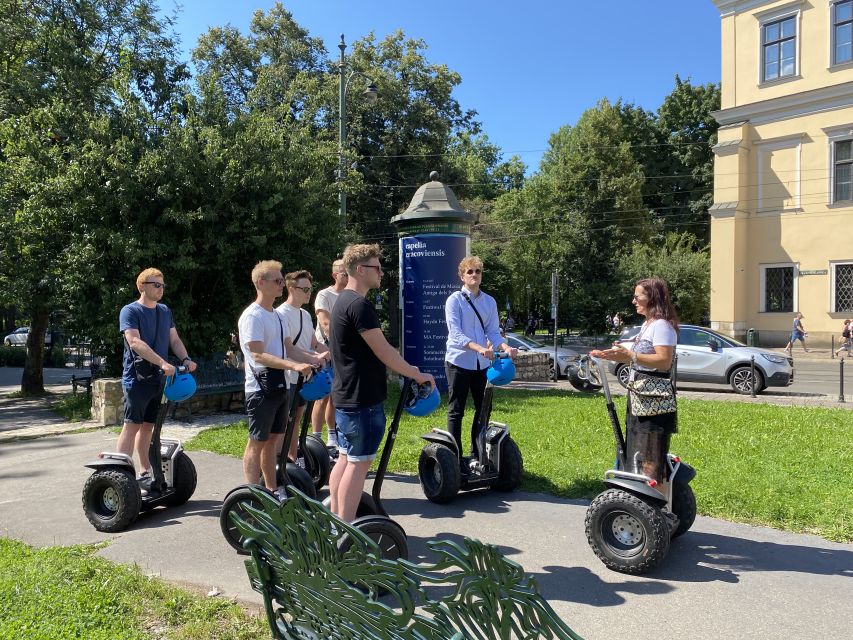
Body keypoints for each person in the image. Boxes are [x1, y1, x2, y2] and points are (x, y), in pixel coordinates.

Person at [328, 244, 435, 522]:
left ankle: (335, 521)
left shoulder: (342, 301)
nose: (381, 273)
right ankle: (345, 531)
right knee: (358, 463)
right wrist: (415, 373)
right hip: (362, 398)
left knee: (345, 458)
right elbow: (383, 350)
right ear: (360, 270)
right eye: (376, 267)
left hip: (346, 396)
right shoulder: (359, 305)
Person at [238, 260, 323, 497]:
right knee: (257, 441)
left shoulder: (276, 316)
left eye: (281, 279)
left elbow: (290, 348)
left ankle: (272, 489)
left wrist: (314, 358)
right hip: (260, 388)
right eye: (277, 280)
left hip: (280, 385)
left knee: (274, 440)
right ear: (260, 283)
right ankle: (252, 493)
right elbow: (257, 353)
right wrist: (293, 365)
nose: (281, 284)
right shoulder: (252, 316)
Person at [591, 278, 679, 494]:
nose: (633, 301)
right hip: (640, 396)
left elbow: (664, 361)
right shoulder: (648, 324)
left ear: (652, 298)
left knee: (652, 454)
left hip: (653, 399)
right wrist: (615, 353)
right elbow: (638, 353)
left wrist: (630, 355)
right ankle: (644, 500)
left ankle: (657, 507)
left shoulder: (661, 325)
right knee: (639, 448)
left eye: (638, 296)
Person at [118, 268, 197, 495]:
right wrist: (162, 362)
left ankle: (144, 472)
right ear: (142, 286)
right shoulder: (130, 311)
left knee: (148, 428)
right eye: (156, 285)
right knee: (132, 425)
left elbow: (174, 338)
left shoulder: (164, 311)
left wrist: (185, 358)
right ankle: (120, 475)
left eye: (163, 285)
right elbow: (134, 342)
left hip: (158, 380)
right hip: (137, 378)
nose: (161, 289)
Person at [444, 256, 517, 472]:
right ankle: (454, 459)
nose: (474, 275)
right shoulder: (454, 300)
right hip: (459, 361)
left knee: (483, 410)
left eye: (477, 271)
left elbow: (493, 332)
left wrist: (504, 347)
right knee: (456, 411)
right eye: (470, 272)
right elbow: (455, 334)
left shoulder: (489, 302)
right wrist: (479, 348)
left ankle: (477, 455)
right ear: (462, 276)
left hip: (482, 364)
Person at [276, 269, 330, 460]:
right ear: (291, 288)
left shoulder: (305, 315)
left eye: (310, 289)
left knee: (297, 420)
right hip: (288, 375)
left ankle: (293, 458)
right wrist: (314, 358)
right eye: (304, 289)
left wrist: (331, 352)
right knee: (284, 423)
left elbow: (314, 343)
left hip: (305, 375)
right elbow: (288, 349)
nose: (309, 293)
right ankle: (278, 461)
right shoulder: (281, 314)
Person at [312, 259, 349, 449]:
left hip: (342, 351)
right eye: (345, 273)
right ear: (335, 275)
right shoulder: (324, 295)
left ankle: (332, 437)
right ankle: (315, 439)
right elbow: (325, 323)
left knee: (336, 397)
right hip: (324, 351)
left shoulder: (351, 295)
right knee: (322, 395)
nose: (348, 276)